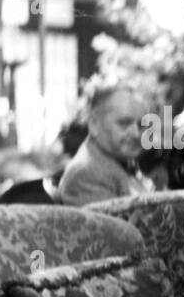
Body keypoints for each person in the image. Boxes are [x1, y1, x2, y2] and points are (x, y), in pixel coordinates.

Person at [56, 78, 159, 206]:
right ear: (94, 125)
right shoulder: (87, 174)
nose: (136, 134)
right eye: (124, 123)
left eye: (141, 125)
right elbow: (117, 226)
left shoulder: (120, 160)